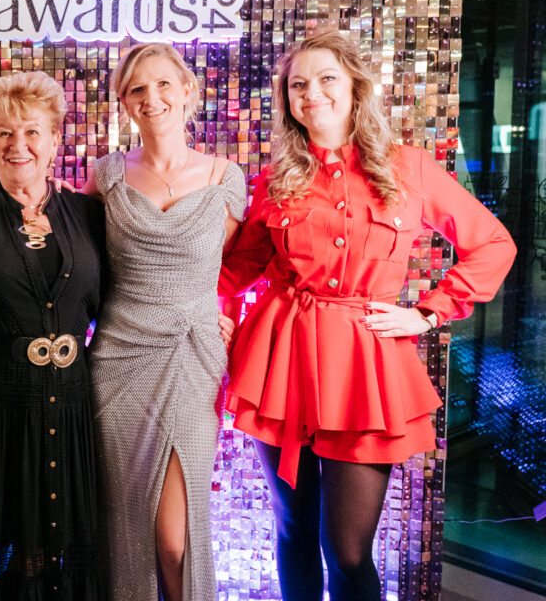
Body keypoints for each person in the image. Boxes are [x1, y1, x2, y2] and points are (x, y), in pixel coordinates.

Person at [219, 30, 516, 600]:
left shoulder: (410, 168)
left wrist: (428, 313)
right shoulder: (275, 179)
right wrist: (180, 300)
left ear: (356, 87)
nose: (312, 93)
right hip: (281, 363)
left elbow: (493, 244)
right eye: (298, 84)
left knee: (349, 552)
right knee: (293, 526)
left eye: (326, 78)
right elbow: (239, 269)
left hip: (363, 370)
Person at [82, 42, 246, 601]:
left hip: (193, 359)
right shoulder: (107, 175)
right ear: (125, 103)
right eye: (136, 89)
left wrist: (222, 313)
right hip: (118, 360)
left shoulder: (226, 177)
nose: (151, 97)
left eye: (162, 84)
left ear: (188, 91)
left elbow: (233, 266)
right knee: (123, 525)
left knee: (174, 541)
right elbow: (80, 261)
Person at [0, 71, 107, 600]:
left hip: (72, 407)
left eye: (33, 132)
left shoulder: (88, 214)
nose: (19, 145)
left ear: (56, 140)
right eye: (5, 133)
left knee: (67, 542)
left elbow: (123, 295)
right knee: (7, 542)